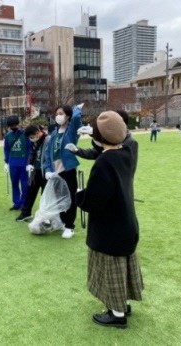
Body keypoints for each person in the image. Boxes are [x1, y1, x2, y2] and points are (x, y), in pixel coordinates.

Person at [75, 111, 143, 329]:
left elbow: (94, 200)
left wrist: (79, 194)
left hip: (109, 226)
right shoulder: (128, 151)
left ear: (99, 137)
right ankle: (122, 304)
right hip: (126, 221)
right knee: (124, 265)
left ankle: (117, 314)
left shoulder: (105, 161)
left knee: (112, 268)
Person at [43, 104, 82, 239]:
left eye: (61, 113)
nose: (58, 116)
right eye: (57, 113)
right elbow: (48, 153)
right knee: (59, 199)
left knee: (70, 199)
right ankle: (63, 221)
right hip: (55, 172)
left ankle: (69, 226)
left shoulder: (71, 131)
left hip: (67, 170)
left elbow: (77, 120)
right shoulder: (54, 133)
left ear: (67, 116)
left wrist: (76, 110)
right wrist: (47, 169)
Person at [65, 110, 139, 176]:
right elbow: (95, 153)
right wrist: (77, 150)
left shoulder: (131, 143)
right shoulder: (109, 140)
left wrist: (96, 135)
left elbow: (125, 167)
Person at [16, 124, 51, 222]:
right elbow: (32, 153)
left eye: (32, 137)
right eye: (30, 138)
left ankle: (46, 217)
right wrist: (29, 164)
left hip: (45, 171)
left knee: (45, 194)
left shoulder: (48, 140)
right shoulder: (34, 141)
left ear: (37, 132)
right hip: (35, 171)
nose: (31, 139)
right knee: (30, 192)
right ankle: (25, 213)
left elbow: (50, 157)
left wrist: (50, 170)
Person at [3, 115, 31, 211]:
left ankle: (23, 203)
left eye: (14, 124)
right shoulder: (8, 136)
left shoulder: (25, 134)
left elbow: (29, 148)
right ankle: (16, 203)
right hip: (13, 163)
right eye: (11, 125)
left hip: (23, 163)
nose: (13, 127)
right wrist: (6, 162)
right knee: (14, 183)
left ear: (18, 124)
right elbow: (6, 150)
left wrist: (29, 162)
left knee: (24, 184)